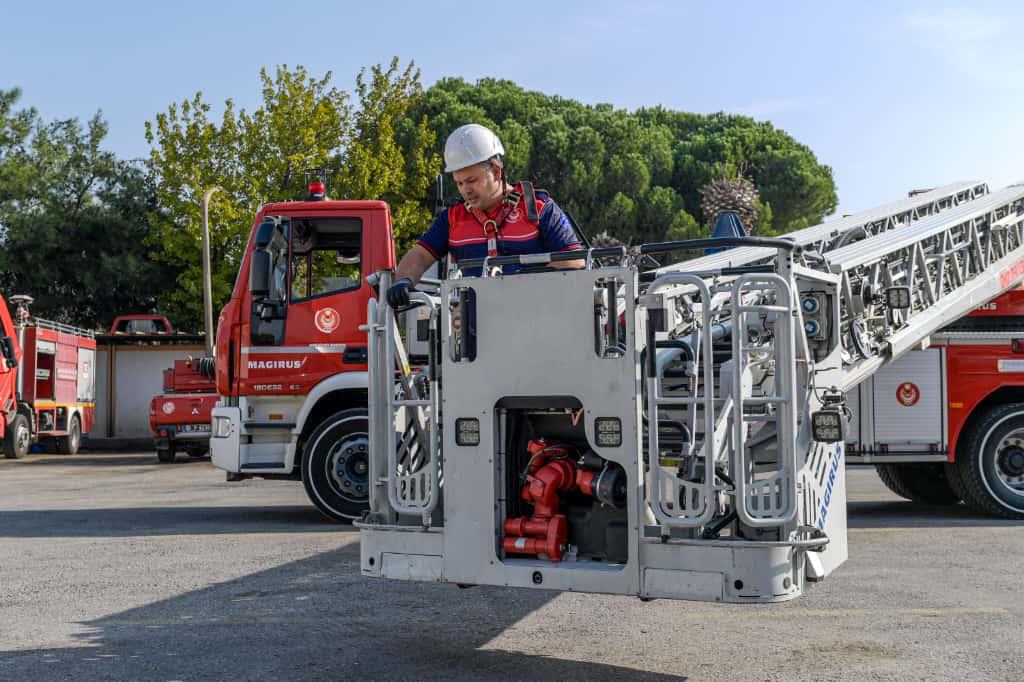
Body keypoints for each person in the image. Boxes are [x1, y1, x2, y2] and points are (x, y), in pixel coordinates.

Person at [386, 124, 584, 309]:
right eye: (459, 183)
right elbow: (420, 255)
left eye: (471, 180)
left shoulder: (540, 208)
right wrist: (403, 281)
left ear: (496, 172)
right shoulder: (452, 218)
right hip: (474, 332)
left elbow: (574, 261)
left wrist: (520, 289)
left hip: (535, 323)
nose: (465, 190)